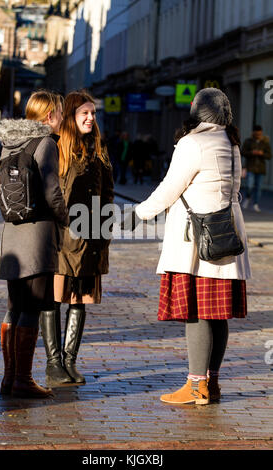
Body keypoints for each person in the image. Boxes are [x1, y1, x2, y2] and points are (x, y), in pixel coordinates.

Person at [124, 88, 251, 405]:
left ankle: (196, 387)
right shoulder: (231, 144)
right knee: (217, 315)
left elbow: (170, 187)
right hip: (226, 233)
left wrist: (138, 213)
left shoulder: (192, 143)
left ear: (196, 113)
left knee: (197, 312)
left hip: (197, 239)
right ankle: (212, 383)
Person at [0, 90, 69, 398]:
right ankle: (23, 380)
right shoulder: (46, 144)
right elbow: (52, 192)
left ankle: (9, 378)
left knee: (14, 307)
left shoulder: (9, 143)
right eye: (61, 113)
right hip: (38, 236)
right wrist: (66, 220)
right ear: (50, 115)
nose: (63, 119)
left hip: (12, 235)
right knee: (32, 309)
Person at [40, 90, 114, 386]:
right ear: (71, 116)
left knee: (79, 300)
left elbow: (107, 194)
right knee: (53, 298)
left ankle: (70, 361)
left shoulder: (98, 149)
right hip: (60, 239)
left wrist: (104, 232)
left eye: (93, 113)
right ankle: (53, 363)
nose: (90, 118)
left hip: (89, 239)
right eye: (84, 113)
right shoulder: (55, 148)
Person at [242, 125, 272, 212]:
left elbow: (269, 156)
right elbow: (243, 152)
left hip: (261, 169)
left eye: (259, 134)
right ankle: (247, 198)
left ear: (261, 133)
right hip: (250, 167)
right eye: (256, 134)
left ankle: (256, 204)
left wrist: (262, 153)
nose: (258, 135)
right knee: (249, 185)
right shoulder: (248, 141)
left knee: (258, 188)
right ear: (253, 133)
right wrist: (251, 152)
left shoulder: (265, 142)